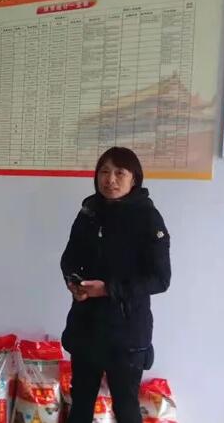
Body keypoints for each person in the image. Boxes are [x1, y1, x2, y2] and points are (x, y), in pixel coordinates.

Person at [60, 147, 171, 423]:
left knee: (126, 408)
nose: (110, 179)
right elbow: (70, 258)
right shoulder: (89, 212)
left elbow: (160, 279)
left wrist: (109, 289)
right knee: (80, 404)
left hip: (126, 334)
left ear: (134, 179)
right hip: (86, 326)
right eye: (104, 172)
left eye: (120, 173)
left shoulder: (148, 218)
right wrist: (73, 282)